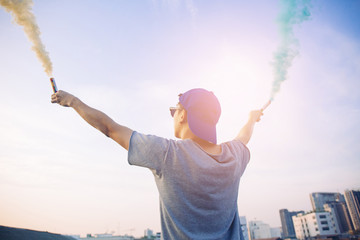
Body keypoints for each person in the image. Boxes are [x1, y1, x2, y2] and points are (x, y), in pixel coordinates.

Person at [51, 88, 263, 240]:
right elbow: (244, 137)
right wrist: (252, 119)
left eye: (174, 110)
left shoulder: (167, 154)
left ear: (182, 115)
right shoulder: (234, 156)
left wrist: (73, 101)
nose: (172, 115)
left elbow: (110, 128)